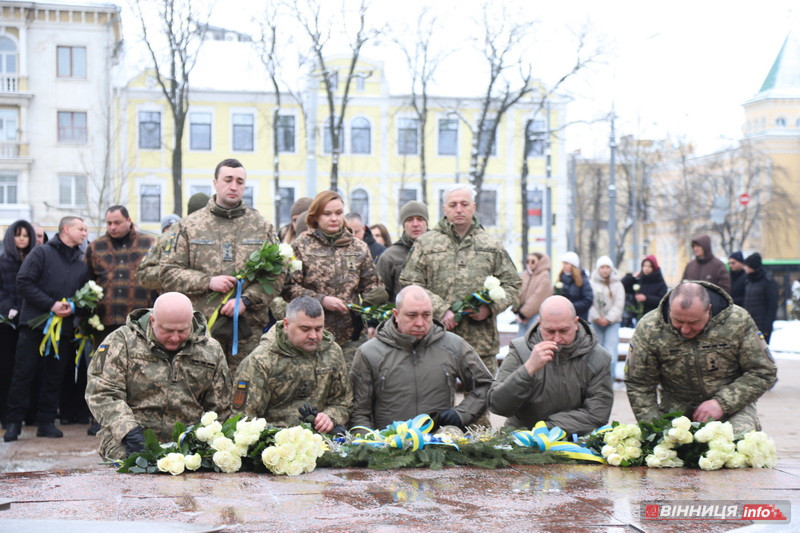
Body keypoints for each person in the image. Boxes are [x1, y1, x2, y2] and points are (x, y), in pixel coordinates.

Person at [159, 159, 281, 372]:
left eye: (240, 181)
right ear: (215, 183)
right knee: (200, 391)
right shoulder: (188, 226)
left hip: (246, 332)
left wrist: (246, 299)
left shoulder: (262, 227)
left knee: (244, 391)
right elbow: (168, 273)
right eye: (228, 180)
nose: (234, 186)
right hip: (200, 330)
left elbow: (278, 274)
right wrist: (207, 282)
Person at [85, 292, 231, 460]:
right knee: (128, 464)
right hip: (130, 436)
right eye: (168, 330)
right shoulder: (122, 341)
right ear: (153, 320)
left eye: (182, 330)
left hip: (188, 440)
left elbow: (221, 407)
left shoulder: (210, 350)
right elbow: (102, 393)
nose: (175, 338)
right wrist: (130, 432)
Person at [399, 184, 521, 376]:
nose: (458, 209)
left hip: (481, 343)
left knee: (482, 399)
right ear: (444, 209)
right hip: (436, 338)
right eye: (453, 204)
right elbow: (410, 282)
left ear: (473, 207)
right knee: (436, 401)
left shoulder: (491, 244)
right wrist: (441, 309)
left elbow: (513, 284)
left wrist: (489, 308)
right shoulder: (426, 243)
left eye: (464, 204)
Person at [625, 281, 777, 434]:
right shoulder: (650, 328)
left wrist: (722, 403)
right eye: (677, 321)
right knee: (663, 453)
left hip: (732, 408)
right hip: (675, 412)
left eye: (693, 322)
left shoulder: (737, 321)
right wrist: (654, 428)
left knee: (739, 442)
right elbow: (638, 383)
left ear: (709, 310)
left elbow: (763, 371)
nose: (685, 329)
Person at [350, 285, 493, 430]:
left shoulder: (453, 345)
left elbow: (485, 385)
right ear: (396, 314)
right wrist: (369, 443)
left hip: (439, 443)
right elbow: (359, 411)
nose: (420, 323)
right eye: (412, 315)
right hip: (389, 445)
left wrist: (462, 413)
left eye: (426, 315)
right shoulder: (370, 352)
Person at [3, 216, 89, 442]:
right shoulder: (41, 253)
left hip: (64, 327)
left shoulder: (82, 260)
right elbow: (24, 282)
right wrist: (50, 304)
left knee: (54, 376)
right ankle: (14, 423)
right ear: (66, 229)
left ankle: (46, 422)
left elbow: (88, 293)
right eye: (81, 228)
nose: (85, 233)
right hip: (34, 323)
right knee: (23, 374)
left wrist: (73, 306)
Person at [286, 191, 388, 366]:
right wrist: (321, 300)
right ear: (316, 216)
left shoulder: (358, 247)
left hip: (351, 338)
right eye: (327, 214)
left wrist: (366, 306)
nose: (334, 218)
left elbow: (373, 286)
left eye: (338, 213)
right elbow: (288, 288)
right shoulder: (300, 247)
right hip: (311, 337)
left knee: (352, 387)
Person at [488, 295, 612, 436]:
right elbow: (498, 406)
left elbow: (598, 413)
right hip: (522, 439)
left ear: (576, 323)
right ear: (540, 323)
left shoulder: (597, 357)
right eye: (550, 331)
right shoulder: (520, 350)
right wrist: (527, 370)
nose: (557, 338)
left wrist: (546, 428)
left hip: (575, 441)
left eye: (564, 330)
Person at [233, 296, 352, 432]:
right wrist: (280, 437)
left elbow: (343, 402)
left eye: (319, 329)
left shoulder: (332, 351)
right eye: (305, 329)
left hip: (321, 440)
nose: (313, 336)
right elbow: (244, 418)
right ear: (286, 324)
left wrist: (330, 417)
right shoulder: (260, 360)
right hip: (273, 443)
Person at [85, 206, 156, 340]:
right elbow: (86, 281)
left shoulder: (149, 244)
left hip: (141, 320)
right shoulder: (95, 247)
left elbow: (160, 279)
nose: (112, 227)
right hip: (105, 320)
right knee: (105, 359)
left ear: (129, 221)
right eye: (109, 223)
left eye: (117, 223)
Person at [0, 220, 36, 428]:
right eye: (17, 235)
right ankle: (6, 415)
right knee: (7, 370)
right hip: (7, 324)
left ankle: (30, 415)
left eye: (25, 235)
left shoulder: (34, 260)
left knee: (29, 370)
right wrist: (8, 309)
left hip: (31, 319)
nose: (22, 239)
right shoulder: (3, 261)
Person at [136, 193, 209, 292]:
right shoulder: (168, 238)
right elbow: (143, 274)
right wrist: (173, 274)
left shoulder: (221, 237)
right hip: (175, 302)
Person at [376, 200, 429, 302]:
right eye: (409, 220)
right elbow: (381, 294)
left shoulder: (440, 251)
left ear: (426, 223)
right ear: (403, 225)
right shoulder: (390, 256)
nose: (415, 224)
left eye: (420, 219)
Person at [588, 255, 625, 379]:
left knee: (610, 351)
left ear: (611, 269)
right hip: (596, 322)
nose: (605, 270)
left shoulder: (617, 284)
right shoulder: (591, 283)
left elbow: (619, 304)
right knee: (596, 350)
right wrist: (596, 317)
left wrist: (608, 318)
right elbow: (589, 302)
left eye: (607, 267)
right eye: (602, 267)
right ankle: (596, 380)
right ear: (598, 269)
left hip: (612, 323)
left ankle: (609, 380)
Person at [513, 252, 553, 335]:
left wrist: (523, 313)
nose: (530, 264)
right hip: (523, 314)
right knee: (520, 340)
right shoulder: (525, 275)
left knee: (532, 339)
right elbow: (518, 292)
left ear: (540, 262)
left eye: (533, 261)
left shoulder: (544, 276)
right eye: (527, 261)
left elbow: (538, 297)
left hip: (536, 315)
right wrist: (516, 308)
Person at [743, 253, 779, 343]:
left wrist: (766, 328)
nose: (744, 268)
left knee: (761, 355)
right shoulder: (749, 281)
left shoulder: (767, 281)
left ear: (752, 266)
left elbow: (772, 306)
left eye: (746, 265)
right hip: (748, 325)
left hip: (762, 328)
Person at [621, 255, 669, 321]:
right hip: (638, 317)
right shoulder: (640, 280)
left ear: (654, 267)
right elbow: (622, 286)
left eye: (649, 266)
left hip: (654, 318)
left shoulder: (660, 282)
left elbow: (663, 300)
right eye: (644, 265)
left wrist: (646, 298)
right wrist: (633, 276)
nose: (646, 268)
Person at [557, 251, 593, 322]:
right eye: (563, 263)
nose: (564, 266)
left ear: (573, 266)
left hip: (579, 319)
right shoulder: (560, 279)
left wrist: (570, 306)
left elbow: (588, 300)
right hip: (562, 318)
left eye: (566, 263)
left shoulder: (583, 281)